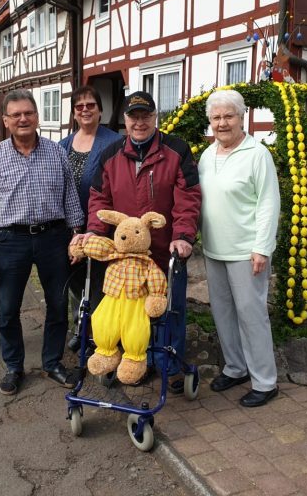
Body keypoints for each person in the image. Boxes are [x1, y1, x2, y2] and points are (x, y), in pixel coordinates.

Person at [71, 91, 201, 392]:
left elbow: (188, 198)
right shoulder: (111, 154)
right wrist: (94, 232)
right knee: (128, 313)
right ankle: (135, 360)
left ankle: (168, 365)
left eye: (145, 116)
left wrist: (183, 236)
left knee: (168, 309)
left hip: (165, 250)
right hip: (124, 256)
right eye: (133, 117)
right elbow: (99, 200)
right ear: (125, 120)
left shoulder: (177, 150)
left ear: (155, 117)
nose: (139, 122)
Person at [0, 89, 85, 396]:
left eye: (28, 113)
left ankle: (52, 362)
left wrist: (76, 236)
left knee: (58, 304)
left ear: (37, 116)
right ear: (5, 120)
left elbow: (70, 199)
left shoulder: (57, 153)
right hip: (10, 241)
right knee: (8, 308)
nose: (23, 119)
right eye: (16, 114)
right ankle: (13, 367)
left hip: (53, 238)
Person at [198, 90, 280, 408]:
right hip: (214, 249)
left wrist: (262, 247)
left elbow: (268, 203)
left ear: (241, 117)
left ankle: (265, 382)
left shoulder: (257, 154)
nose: (222, 123)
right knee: (223, 313)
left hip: (247, 252)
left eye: (228, 116)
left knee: (252, 316)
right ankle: (235, 368)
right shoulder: (207, 156)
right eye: (216, 117)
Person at [59, 86, 121, 350]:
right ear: (74, 112)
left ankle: (101, 334)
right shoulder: (63, 145)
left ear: (100, 110)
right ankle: (80, 327)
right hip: (70, 226)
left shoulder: (115, 142)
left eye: (90, 105)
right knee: (74, 279)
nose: (85, 110)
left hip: (102, 225)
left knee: (99, 280)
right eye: (79, 106)